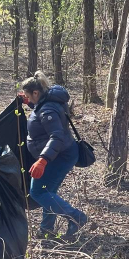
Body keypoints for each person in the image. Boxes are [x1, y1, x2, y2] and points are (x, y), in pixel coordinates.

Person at [19, 71, 87, 239]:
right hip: (63, 153)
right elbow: (41, 110)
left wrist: (42, 160)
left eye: (29, 95)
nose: (28, 98)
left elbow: (56, 136)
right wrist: (29, 103)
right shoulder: (49, 99)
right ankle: (46, 229)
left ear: (36, 93)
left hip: (59, 156)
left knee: (38, 192)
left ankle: (76, 217)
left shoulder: (48, 108)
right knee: (47, 191)